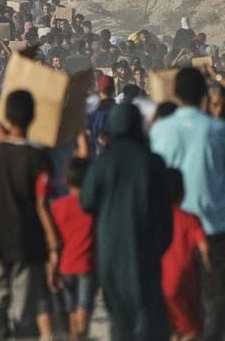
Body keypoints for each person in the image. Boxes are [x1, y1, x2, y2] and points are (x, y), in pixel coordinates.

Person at [81, 102, 173, 341]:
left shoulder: (103, 162)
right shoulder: (153, 162)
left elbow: (86, 201)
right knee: (149, 313)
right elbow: (166, 208)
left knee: (119, 317)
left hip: (111, 248)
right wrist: (161, 244)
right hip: (146, 246)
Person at [0, 90, 58, 341]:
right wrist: (54, 245)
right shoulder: (38, 158)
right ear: (33, 117)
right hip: (28, 241)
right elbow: (43, 204)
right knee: (22, 311)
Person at [150, 68, 225, 340]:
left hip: (172, 228)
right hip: (212, 225)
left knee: (175, 292)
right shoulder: (218, 130)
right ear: (205, 95)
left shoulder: (160, 131)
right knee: (215, 296)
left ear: (176, 94)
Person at [50, 157, 97, 341]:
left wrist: (51, 266)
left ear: (65, 181)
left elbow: (54, 239)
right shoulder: (93, 207)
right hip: (87, 263)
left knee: (70, 308)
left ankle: (73, 336)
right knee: (83, 305)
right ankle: (81, 335)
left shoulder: (57, 207)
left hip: (64, 264)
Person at [162, 169, 210, 341]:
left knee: (173, 331)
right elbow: (204, 248)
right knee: (193, 330)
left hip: (158, 284)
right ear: (183, 192)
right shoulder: (190, 219)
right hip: (184, 284)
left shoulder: (152, 219)